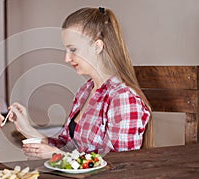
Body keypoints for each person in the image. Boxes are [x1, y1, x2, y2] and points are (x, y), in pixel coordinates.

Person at [9, 7, 154, 159]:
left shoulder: (123, 99)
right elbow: (66, 145)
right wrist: (26, 129)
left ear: (97, 46)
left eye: (73, 49)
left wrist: (58, 155)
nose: (67, 58)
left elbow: (122, 164)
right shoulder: (86, 90)